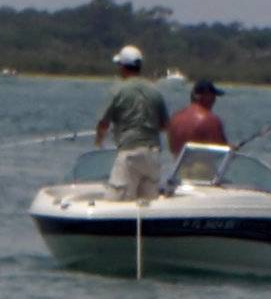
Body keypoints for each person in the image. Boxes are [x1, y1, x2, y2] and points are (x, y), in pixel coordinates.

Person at [94, 45, 169, 200]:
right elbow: (165, 125)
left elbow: (103, 124)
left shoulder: (117, 90)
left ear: (122, 67)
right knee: (147, 207)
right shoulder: (155, 91)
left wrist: (98, 142)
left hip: (129, 154)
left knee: (115, 204)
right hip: (152, 154)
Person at [167, 78, 229, 157]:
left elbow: (173, 149)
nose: (214, 100)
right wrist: (231, 149)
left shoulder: (174, 118)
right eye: (213, 96)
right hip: (202, 167)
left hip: (179, 167)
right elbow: (221, 150)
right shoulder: (210, 120)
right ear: (206, 96)